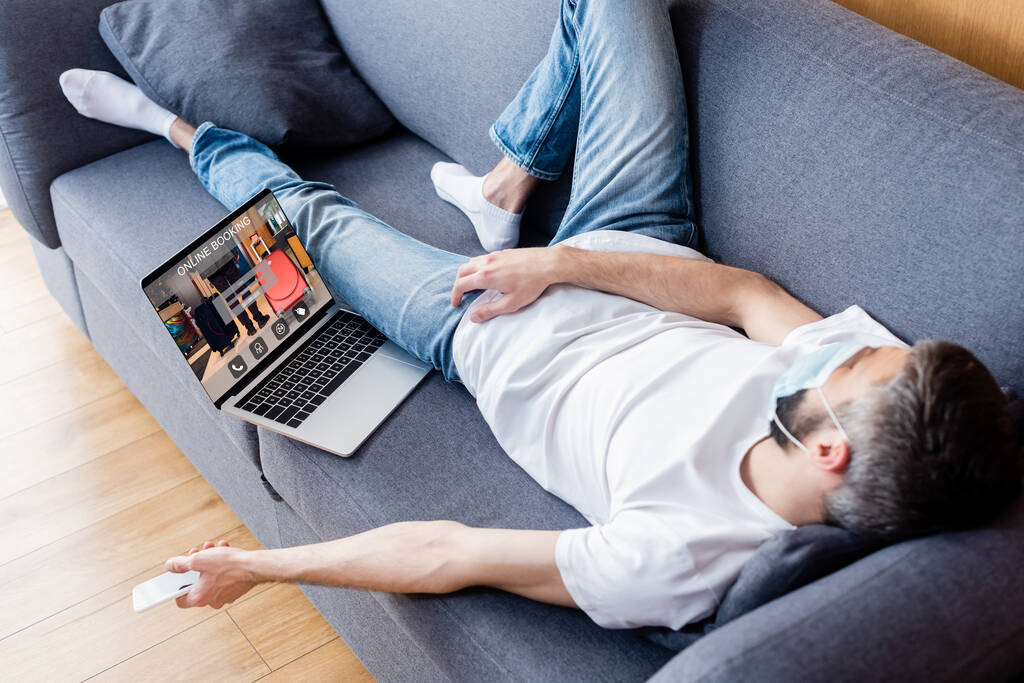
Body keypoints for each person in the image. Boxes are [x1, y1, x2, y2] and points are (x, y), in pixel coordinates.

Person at [60, 0, 1019, 629]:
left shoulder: (677, 560)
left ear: (830, 453)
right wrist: (557, 261)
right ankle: (507, 181)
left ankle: (172, 125)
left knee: (297, 222)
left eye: (849, 368)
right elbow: (742, 295)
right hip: (637, 249)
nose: (848, 349)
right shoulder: (888, 400)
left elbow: (447, 551)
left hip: (483, 330)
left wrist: (256, 568)